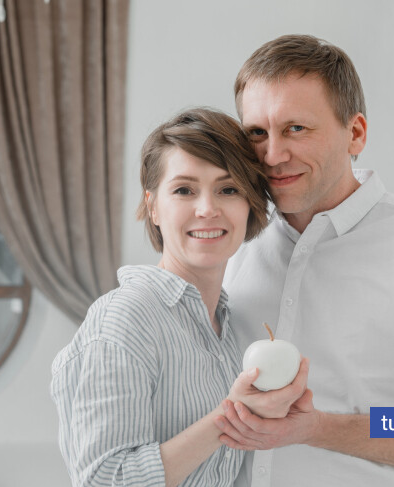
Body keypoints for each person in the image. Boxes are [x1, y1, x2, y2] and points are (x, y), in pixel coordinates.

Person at [215, 34, 394, 486]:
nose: (273, 155)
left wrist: (317, 428)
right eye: (257, 133)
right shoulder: (231, 237)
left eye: (296, 128)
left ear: (356, 133)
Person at [50, 107, 309, 487]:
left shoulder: (227, 324)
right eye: (184, 190)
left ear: (250, 204)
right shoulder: (126, 318)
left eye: (228, 189)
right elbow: (105, 480)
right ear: (153, 206)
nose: (207, 209)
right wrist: (232, 414)